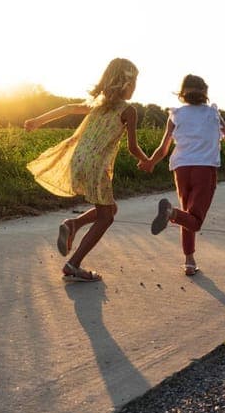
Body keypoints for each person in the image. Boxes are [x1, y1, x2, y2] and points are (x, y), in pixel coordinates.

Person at [24, 57, 150, 283]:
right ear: (126, 84)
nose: (135, 87)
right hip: (96, 165)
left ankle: (73, 224)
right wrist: (147, 160)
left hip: (78, 160)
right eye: (134, 82)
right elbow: (133, 147)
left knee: (110, 208)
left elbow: (67, 108)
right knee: (106, 217)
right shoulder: (128, 111)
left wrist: (37, 120)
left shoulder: (97, 104)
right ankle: (74, 264)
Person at [139, 74, 225, 276]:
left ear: (182, 94)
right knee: (194, 219)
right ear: (205, 92)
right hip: (204, 169)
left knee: (188, 215)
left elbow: (163, 148)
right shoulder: (213, 114)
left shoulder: (176, 114)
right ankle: (170, 213)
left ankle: (189, 260)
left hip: (181, 169)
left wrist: (150, 162)